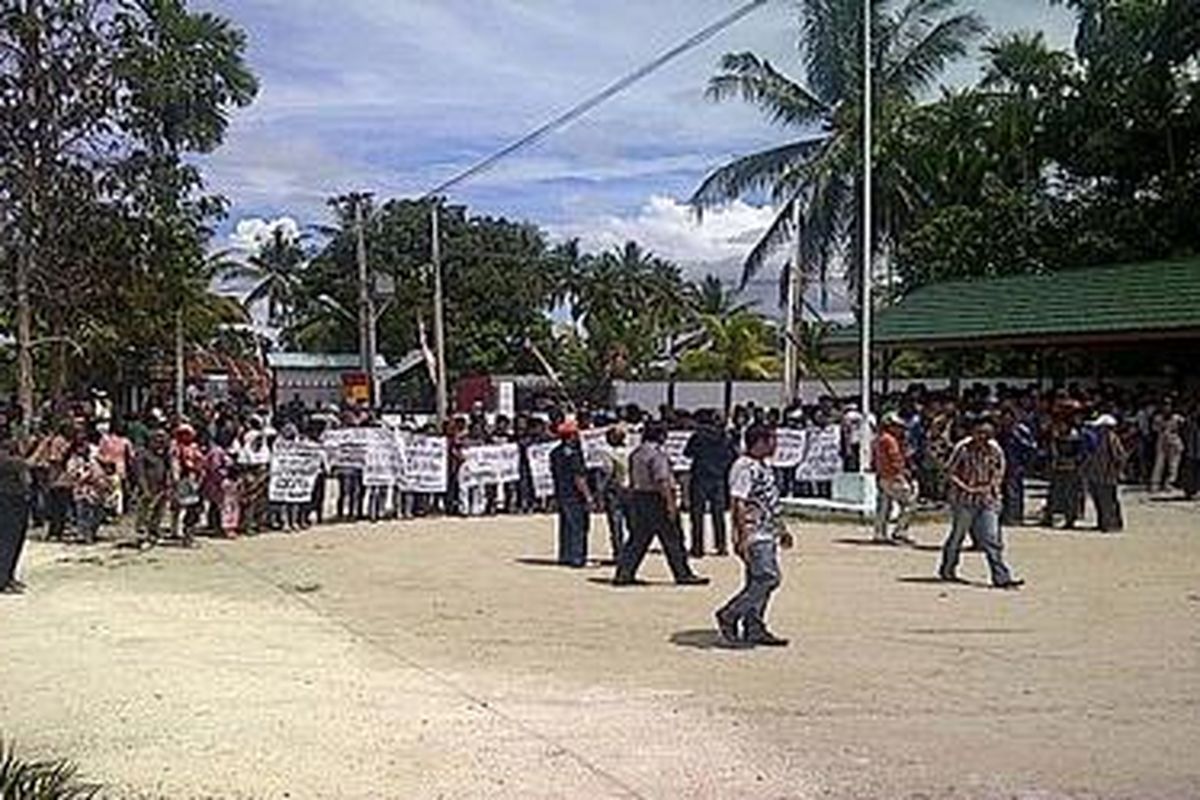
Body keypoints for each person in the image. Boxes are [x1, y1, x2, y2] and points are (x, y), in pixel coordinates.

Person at [715, 423, 793, 647]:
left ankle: (754, 625)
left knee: (757, 581)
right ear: (760, 442)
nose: (776, 445)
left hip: (767, 532)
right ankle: (729, 614)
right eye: (772, 440)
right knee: (768, 578)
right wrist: (741, 536)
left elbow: (769, 502)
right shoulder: (744, 467)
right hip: (754, 533)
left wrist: (781, 529)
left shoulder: (763, 466)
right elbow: (738, 502)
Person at [613, 420, 708, 586]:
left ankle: (624, 574)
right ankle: (683, 574)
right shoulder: (657, 455)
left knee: (638, 539)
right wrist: (671, 505)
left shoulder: (636, 453)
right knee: (673, 539)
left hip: (639, 497)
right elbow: (662, 481)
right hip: (657, 499)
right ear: (660, 435)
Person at [938, 419, 1023, 589]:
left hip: (988, 500)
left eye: (987, 433)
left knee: (991, 538)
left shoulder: (995, 450)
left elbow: (999, 473)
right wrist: (966, 487)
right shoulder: (962, 448)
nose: (983, 437)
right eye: (979, 433)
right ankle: (948, 569)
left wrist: (988, 487)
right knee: (957, 536)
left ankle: (1001, 577)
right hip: (964, 500)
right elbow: (950, 471)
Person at [684, 410, 736, 557]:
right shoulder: (726, 437)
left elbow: (687, 452)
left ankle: (697, 547)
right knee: (718, 514)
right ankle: (721, 546)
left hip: (700, 476)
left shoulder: (698, 436)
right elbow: (732, 456)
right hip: (718, 478)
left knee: (697, 514)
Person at [550, 418, 592, 567]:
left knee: (565, 526)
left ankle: (565, 555)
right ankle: (578, 557)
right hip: (575, 494)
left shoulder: (554, 453)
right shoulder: (574, 454)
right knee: (579, 526)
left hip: (561, 492)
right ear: (571, 436)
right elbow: (578, 477)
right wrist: (588, 496)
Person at [874, 412, 915, 544]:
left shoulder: (879, 439)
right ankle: (900, 531)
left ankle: (879, 533)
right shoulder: (890, 440)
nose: (900, 429)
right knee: (909, 503)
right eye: (896, 426)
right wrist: (902, 474)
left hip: (882, 476)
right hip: (893, 476)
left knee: (884, 506)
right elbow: (895, 459)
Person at [1083, 415, 1127, 533]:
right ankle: (1103, 522)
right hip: (1098, 474)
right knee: (1100, 500)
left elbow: (1119, 456)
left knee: (1108, 501)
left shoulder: (1111, 438)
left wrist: (1117, 471)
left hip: (1107, 475)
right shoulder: (1099, 439)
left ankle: (1112, 524)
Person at [0, 434, 31, 593]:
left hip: (17, 502)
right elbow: (28, 463)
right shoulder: (8, 462)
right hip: (8, 502)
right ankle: (3, 580)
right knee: (8, 542)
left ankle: (9, 576)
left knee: (16, 542)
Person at [596, 426, 630, 563]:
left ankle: (619, 553)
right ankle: (631, 552)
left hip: (615, 490)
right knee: (632, 523)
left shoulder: (607, 453)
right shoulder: (630, 451)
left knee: (616, 524)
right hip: (630, 490)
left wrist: (600, 491)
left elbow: (608, 472)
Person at [1150, 397, 1185, 493]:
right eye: (1165, 405)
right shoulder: (1158, 418)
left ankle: (1169, 484)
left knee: (1173, 466)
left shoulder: (1177, 418)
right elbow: (1154, 429)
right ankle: (1155, 485)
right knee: (1159, 465)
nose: (1166, 407)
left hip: (1174, 443)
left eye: (1168, 405)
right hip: (1162, 443)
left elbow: (1184, 426)